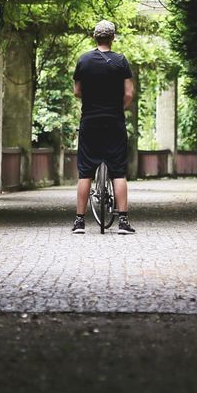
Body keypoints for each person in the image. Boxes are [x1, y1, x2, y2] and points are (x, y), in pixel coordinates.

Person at [71, 19, 136, 234]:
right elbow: (129, 94)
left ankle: (79, 221)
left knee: (85, 173)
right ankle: (123, 222)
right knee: (118, 171)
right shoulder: (121, 61)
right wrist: (119, 109)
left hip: (90, 121)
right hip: (114, 121)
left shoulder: (84, 61)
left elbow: (77, 92)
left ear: (94, 37)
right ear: (113, 38)